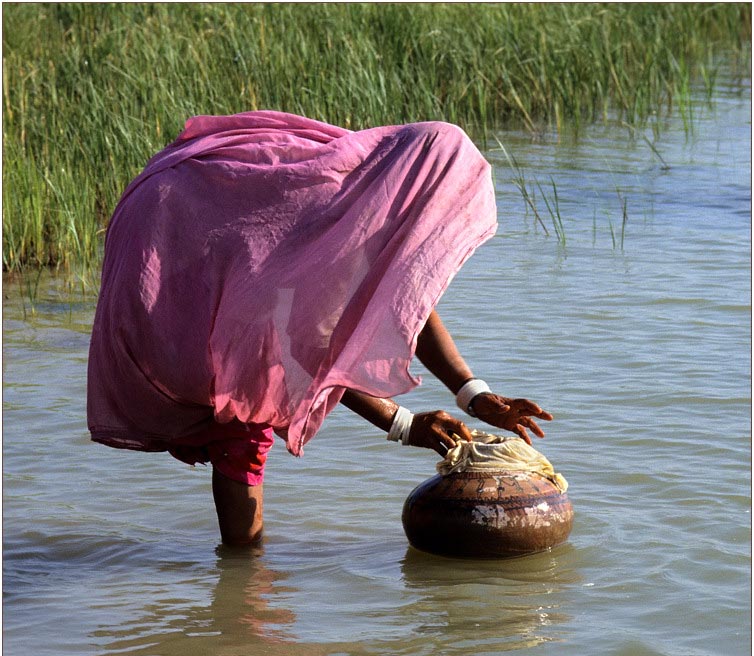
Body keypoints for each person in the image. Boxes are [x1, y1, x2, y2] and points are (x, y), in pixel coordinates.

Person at [87, 111, 552, 546]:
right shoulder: (340, 209)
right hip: (170, 239)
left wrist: (473, 393)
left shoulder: (374, 183)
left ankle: (236, 596)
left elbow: (408, 304)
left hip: (178, 214)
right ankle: (243, 594)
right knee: (246, 413)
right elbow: (307, 347)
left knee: (242, 411)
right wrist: (404, 424)